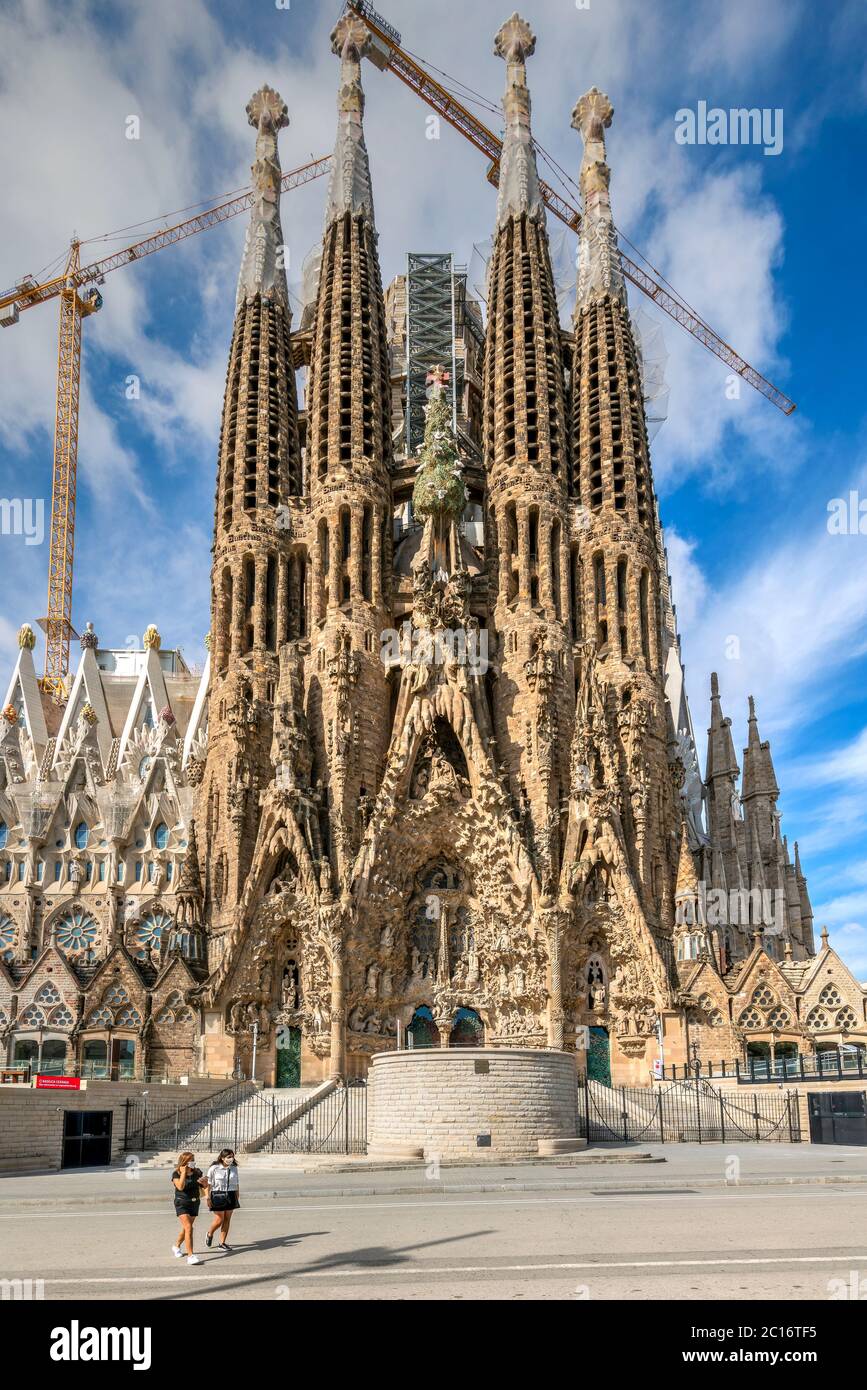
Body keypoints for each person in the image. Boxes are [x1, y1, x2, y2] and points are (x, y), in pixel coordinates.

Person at [171, 1151, 208, 1264]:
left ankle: (176, 1246)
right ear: (184, 1162)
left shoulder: (197, 1172)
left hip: (194, 1202)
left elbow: (205, 1186)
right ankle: (191, 1256)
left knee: (187, 1228)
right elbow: (180, 1187)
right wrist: (183, 1173)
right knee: (189, 1228)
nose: (193, 1162)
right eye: (190, 1160)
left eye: (193, 1159)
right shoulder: (176, 1173)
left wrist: (207, 1193)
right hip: (181, 1202)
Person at [205, 1148, 241, 1251]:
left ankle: (222, 1243)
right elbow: (208, 1183)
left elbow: (237, 1182)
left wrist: (237, 1195)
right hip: (218, 1194)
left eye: (232, 1156)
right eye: (228, 1157)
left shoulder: (234, 1168)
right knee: (219, 1220)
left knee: (227, 1219)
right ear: (222, 1158)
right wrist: (207, 1197)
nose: (231, 1159)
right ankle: (210, 1233)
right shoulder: (214, 1168)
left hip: (231, 1194)